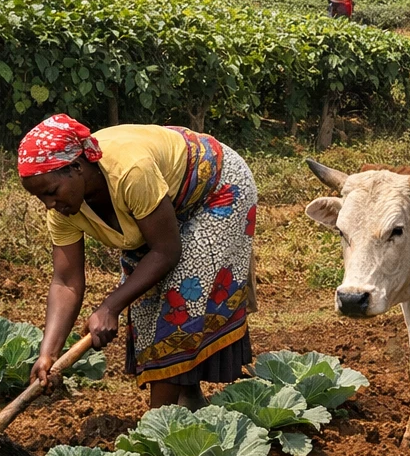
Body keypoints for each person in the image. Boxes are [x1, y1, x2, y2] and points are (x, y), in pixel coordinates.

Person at [19, 114, 257, 410]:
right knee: (146, 309)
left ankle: (158, 426)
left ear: (77, 167)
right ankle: (188, 400)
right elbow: (66, 282)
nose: (49, 205)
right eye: (41, 198)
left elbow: (166, 251)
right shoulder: (62, 210)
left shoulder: (130, 172)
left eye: (51, 192)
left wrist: (109, 307)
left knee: (180, 303)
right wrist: (48, 353)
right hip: (160, 206)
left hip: (214, 190)